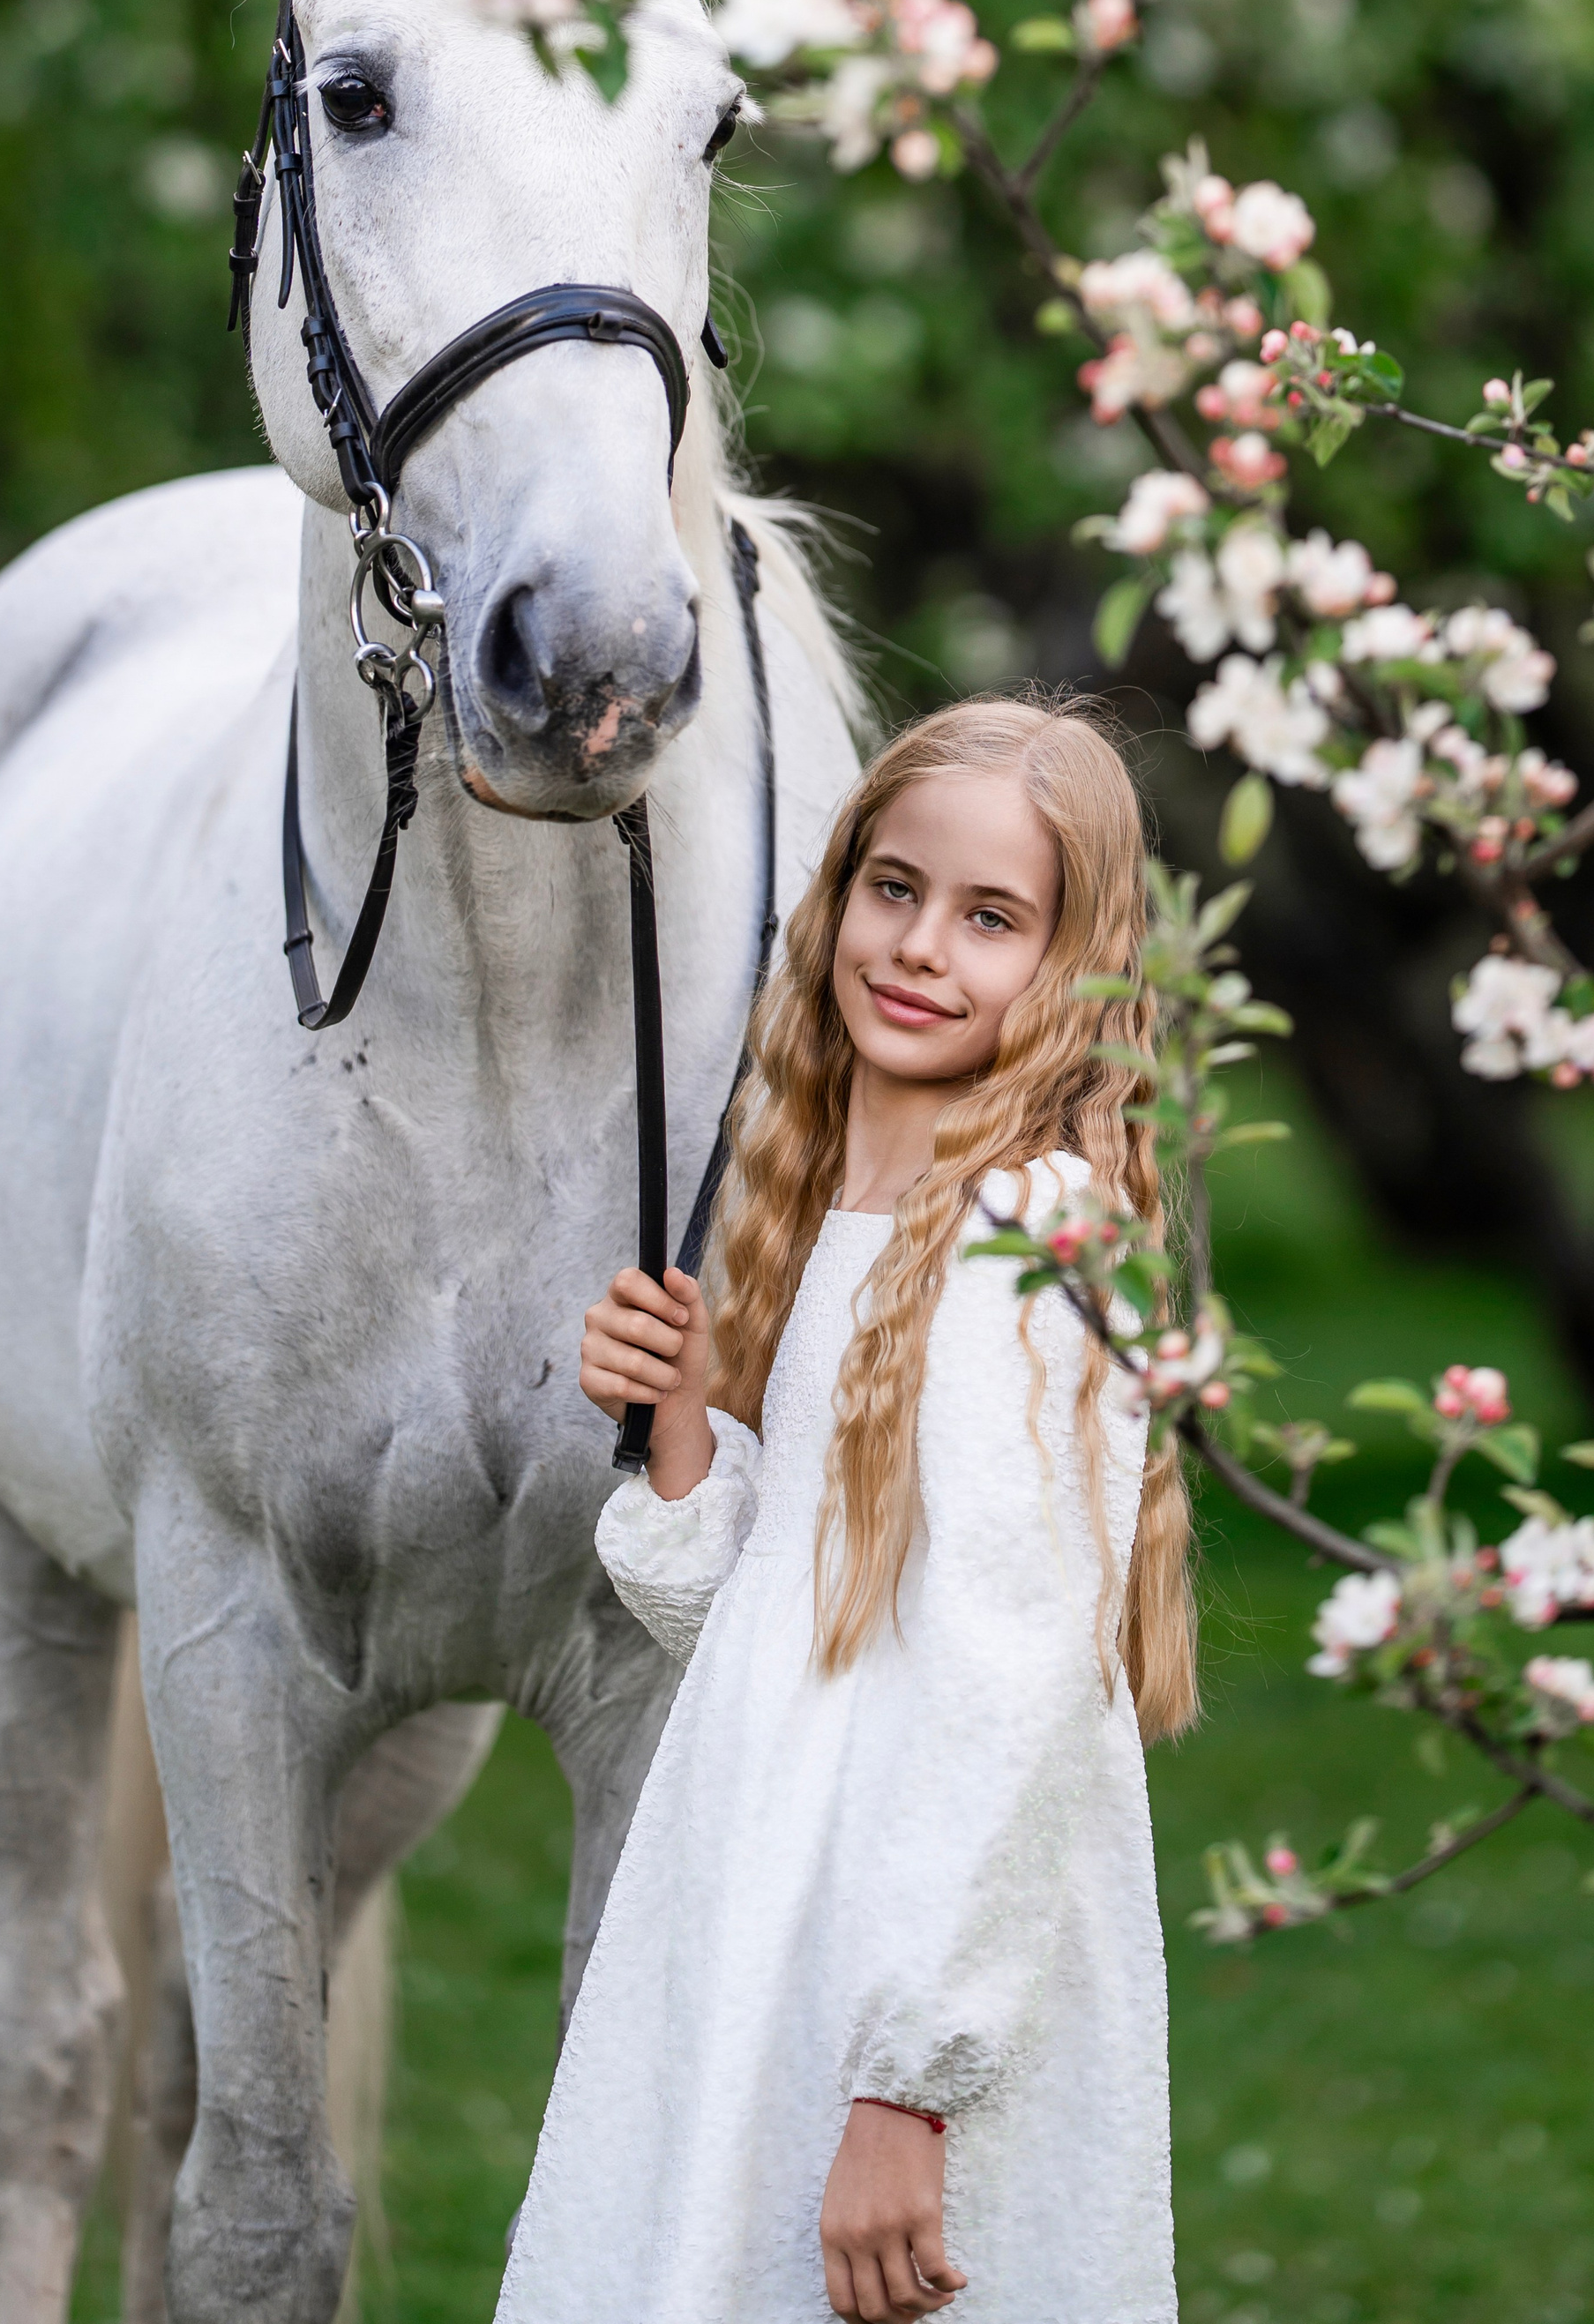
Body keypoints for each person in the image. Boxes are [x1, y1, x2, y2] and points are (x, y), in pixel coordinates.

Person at [493, 694, 1194, 2324]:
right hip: (772, 1904)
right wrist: (681, 1420)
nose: (921, 945)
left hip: (908, 1963)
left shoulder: (1030, 1239)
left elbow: (1010, 1691)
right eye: (895, 887)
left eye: (992, 916)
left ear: (1077, 969)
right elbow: (781, 1627)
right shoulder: (843, 1212)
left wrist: (908, 2087)